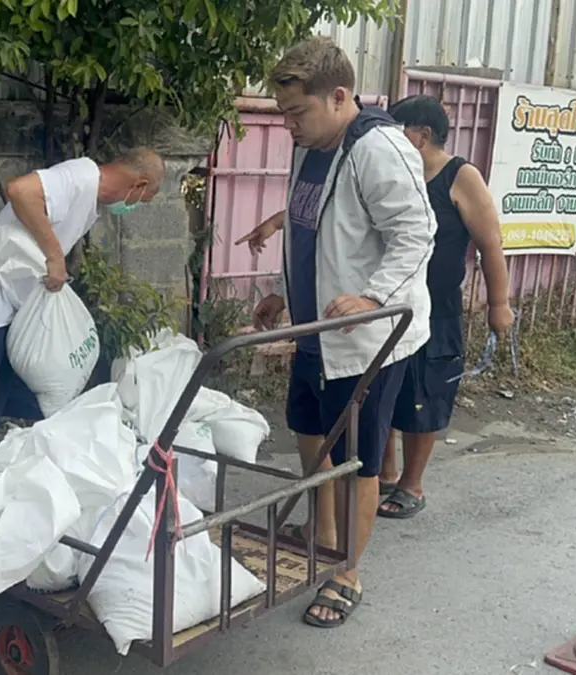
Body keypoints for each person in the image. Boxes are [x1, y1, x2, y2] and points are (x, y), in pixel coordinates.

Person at [235, 37, 435, 629]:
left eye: (297, 112)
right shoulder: (311, 148)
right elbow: (310, 232)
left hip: (366, 339)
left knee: (356, 460)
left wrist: (374, 295)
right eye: (284, 112)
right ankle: (322, 535)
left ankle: (346, 571)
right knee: (308, 431)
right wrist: (283, 291)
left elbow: (417, 233)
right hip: (315, 328)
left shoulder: (378, 148)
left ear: (340, 96)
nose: (288, 124)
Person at [0, 148, 165, 447]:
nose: (134, 206)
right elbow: (20, 190)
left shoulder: (89, 199)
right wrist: (55, 256)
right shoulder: (81, 176)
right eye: (142, 201)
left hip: (8, 313)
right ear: (139, 185)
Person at [376, 95, 514, 519]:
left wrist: (499, 305)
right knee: (385, 390)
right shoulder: (396, 175)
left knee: (425, 394)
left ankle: (412, 485)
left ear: (420, 136)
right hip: (392, 306)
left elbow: (491, 243)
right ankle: (385, 472)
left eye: (396, 132)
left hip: (437, 309)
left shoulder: (460, 176)